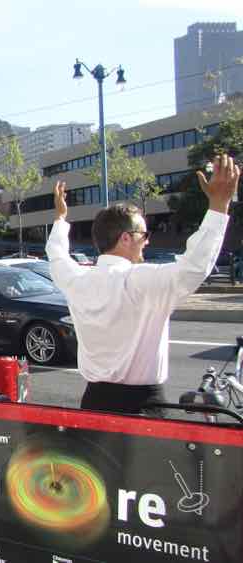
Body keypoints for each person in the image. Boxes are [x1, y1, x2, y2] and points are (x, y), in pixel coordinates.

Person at [47, 155, 239, 416]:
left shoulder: (76, 280)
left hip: (93, 404)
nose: (147, 241)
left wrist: (60, 218)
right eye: (144, 235)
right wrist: (219, 206)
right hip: (144, 409)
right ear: (126, 238)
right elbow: (193, 267)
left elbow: (56, 254)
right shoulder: (139, 281)